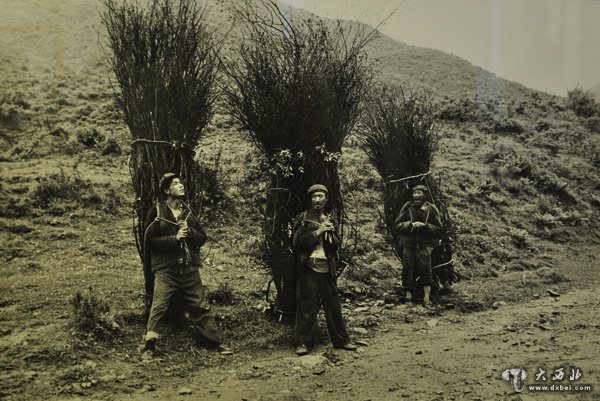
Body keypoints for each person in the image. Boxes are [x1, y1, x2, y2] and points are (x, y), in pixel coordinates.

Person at [140, 173, 220, 358]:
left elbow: (201, 238)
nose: (181, 185)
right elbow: (150, 241)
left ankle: (214, 343)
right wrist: (174, 238)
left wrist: (189, 232)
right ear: (167, 190)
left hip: (189, 269)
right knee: (159, 306)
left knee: (200, 306)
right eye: (175, 184)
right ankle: (149, 347)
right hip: (166, 270)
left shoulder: (188, 212)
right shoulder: (157, 212)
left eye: (181, 182)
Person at [292, 184, 357, 356]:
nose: (317, 200)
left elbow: (336, 245)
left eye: (320, 196)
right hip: (309, 266)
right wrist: (319, 231)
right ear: (310, 199)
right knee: (307, 305)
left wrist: (331, 234)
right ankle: (302, 342)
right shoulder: (304, 218)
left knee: (333, 306)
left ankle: (341, 340)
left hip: (328, 267)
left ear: (326, 199)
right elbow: (297, 242)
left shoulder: (330, 219)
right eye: (314, 197)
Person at [395, 184, 443, 308]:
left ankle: (426, 297)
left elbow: (439, 228)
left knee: (425, 269)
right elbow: (398, 224)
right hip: (408, 244)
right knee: (407, 269)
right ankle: (408, 296)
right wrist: (410, 225)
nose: (416, 196)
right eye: (414, 193)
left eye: (419, 193)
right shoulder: (407, 207)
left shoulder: (431, 208)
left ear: (425, 195)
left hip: (424, 245)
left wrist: (425, 226)